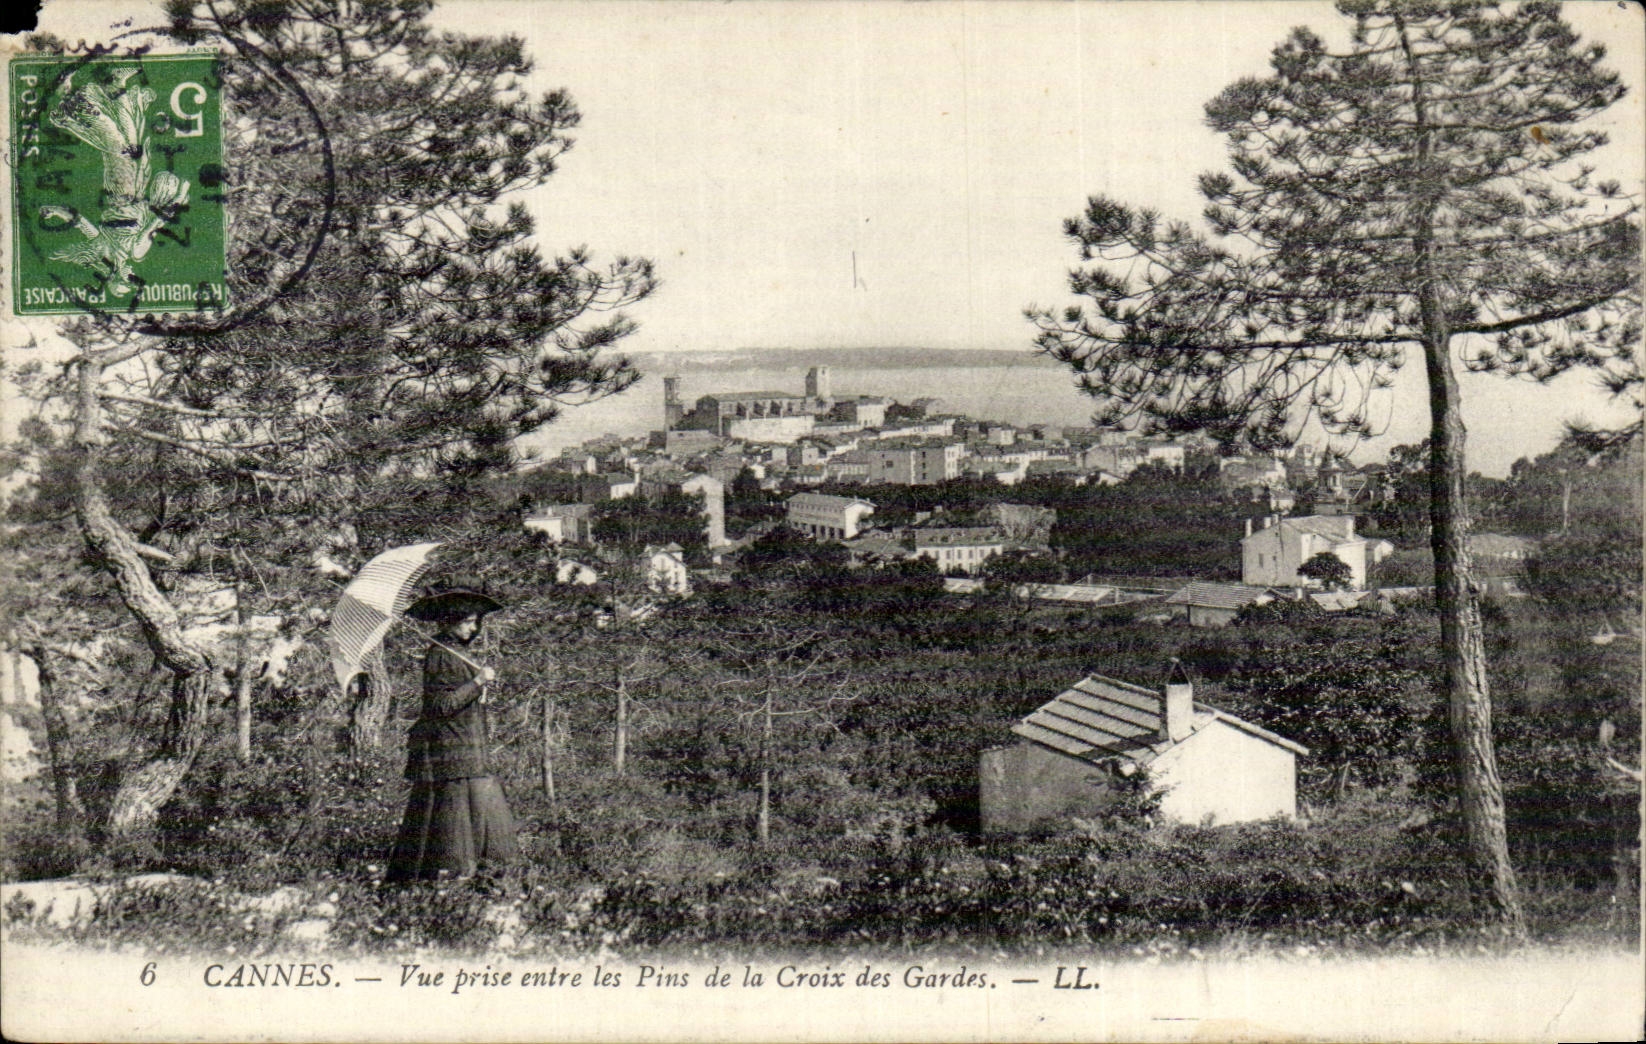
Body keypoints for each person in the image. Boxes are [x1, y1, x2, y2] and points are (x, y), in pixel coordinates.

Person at [387, 579, 518, 882]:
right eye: (468, 622)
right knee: (452, 825)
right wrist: (477, 683)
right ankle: (453, 884)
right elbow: (442, 705)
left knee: (472, 817)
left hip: (467, 749)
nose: (473, 628)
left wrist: (477, 687)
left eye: (476, 622)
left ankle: (478, 881)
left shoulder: (455, 651)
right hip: (451, 753)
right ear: (450, 621)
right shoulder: (441, 654)